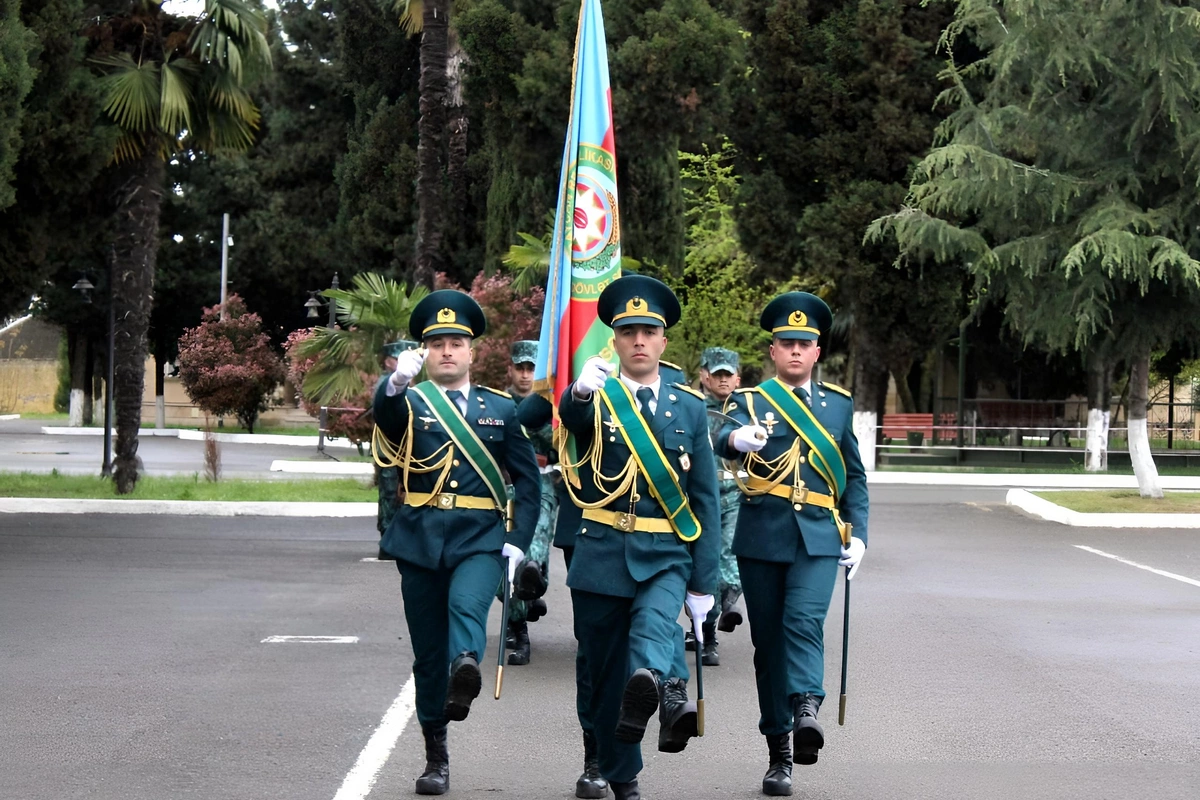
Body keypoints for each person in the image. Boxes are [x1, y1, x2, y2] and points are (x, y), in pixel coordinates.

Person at [372, 290, 541, 796]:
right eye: (437, 344)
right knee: (427, 655)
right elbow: (385, 419)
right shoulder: (411, 400)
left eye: (456, 343)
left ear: (472, 351)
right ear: (425, 351)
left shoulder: (501, 409)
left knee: (468, 604)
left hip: (479, 536)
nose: (447, 351)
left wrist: (517, 542)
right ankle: (436, 756)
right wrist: (394, 383)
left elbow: (528, 482)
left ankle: (465, 663)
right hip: (421, 537)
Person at [559, 274, 721, 800]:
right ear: (615, 339)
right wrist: (579, 391)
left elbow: (705, 498)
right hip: (603, 550)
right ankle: (620, 772)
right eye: (628, 332)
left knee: (652, 632)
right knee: (605, 676)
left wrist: (704, 583)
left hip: (665, 552)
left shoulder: (689, 406)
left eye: (649, 331)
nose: (639, 341)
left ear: (663, 341)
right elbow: (572, 419)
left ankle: (660, 688)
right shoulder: (597, 394)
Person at [714, 292, 868, 797]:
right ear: (774, 351)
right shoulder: (749, 401)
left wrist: (860, 535)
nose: (796, 351)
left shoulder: (838, 404)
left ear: (817, 351)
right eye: (787, 343)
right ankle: (779, 752)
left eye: (804, 343)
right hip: (762, 537)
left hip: (818, 537)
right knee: (769, 647)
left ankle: (806, 707)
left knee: (804, 621)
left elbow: (854, 477)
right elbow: (719, 436)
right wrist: (735, 441)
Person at [685, 346, 745, 667]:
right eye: (717, 374)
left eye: (728, 374)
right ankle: (705, 633)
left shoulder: (745, 409)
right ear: (704, 375)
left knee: (729, 559)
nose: (723, 380)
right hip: (698, 498)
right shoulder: (691, 407)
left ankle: (723, 610)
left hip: (735, 494)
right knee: (702, 566)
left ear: (738, 378)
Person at [501, 340, 554, 665]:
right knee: (506, 560)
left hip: (542, 485)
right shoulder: (498, 404)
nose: (524, 374)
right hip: (504, 487)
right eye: (519, 368)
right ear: (511, 369)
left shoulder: (551, 405)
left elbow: (562, 444)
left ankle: (531, 596)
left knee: (533, 556)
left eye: (531, 368)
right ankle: (519, 626)